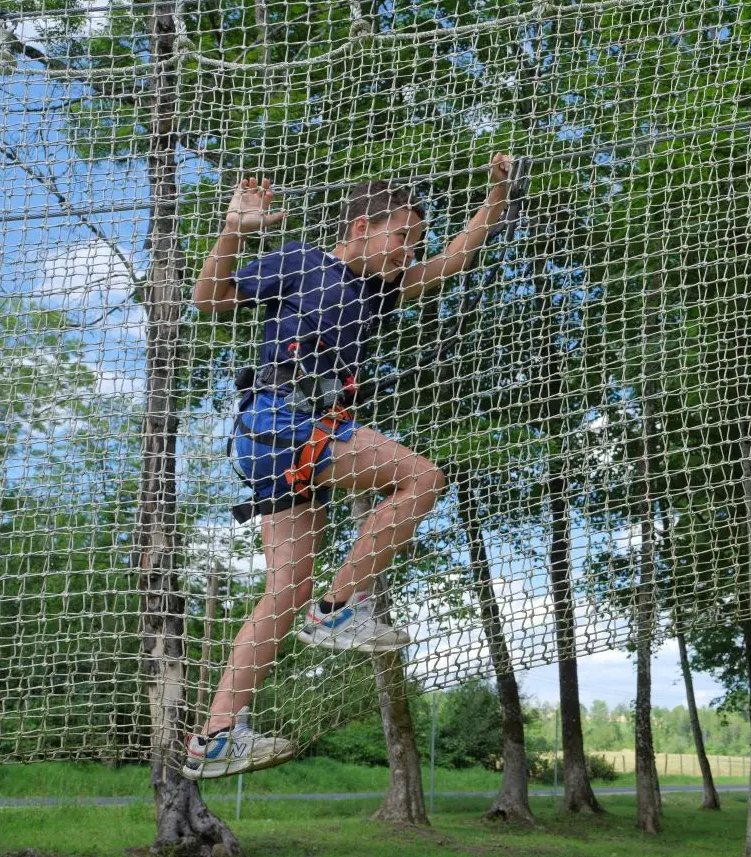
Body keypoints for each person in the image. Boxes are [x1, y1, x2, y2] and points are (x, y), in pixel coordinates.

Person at [180, 156, 514, 779]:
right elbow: (208, 298)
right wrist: (235, 228)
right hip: (282, 420)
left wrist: (494, 201)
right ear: (360, 227)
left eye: (414, 241)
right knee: (422, 479)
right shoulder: (304, 261)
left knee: (284, 590)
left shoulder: (380, 291)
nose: (408, 251)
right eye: (401, 238)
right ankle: (337, 611)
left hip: (285, 442)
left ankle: (217, 738)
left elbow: (453, 261)